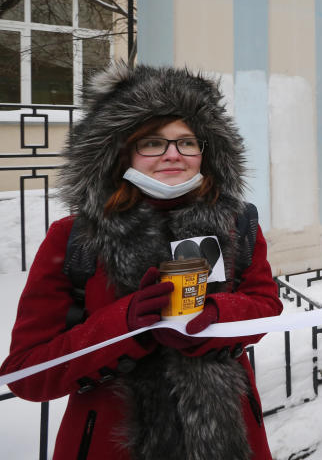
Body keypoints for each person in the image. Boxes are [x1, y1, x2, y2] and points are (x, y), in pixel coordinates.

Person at [0, 64, 283, 460]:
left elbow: (266, 306)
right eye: (152, 142)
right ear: (122, 151)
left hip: (229, 442)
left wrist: (216, 317)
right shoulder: (75, 237)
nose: (173, 154)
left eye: (187, 142)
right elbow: (26, 374)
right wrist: (124, 325)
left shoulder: (236, 223)